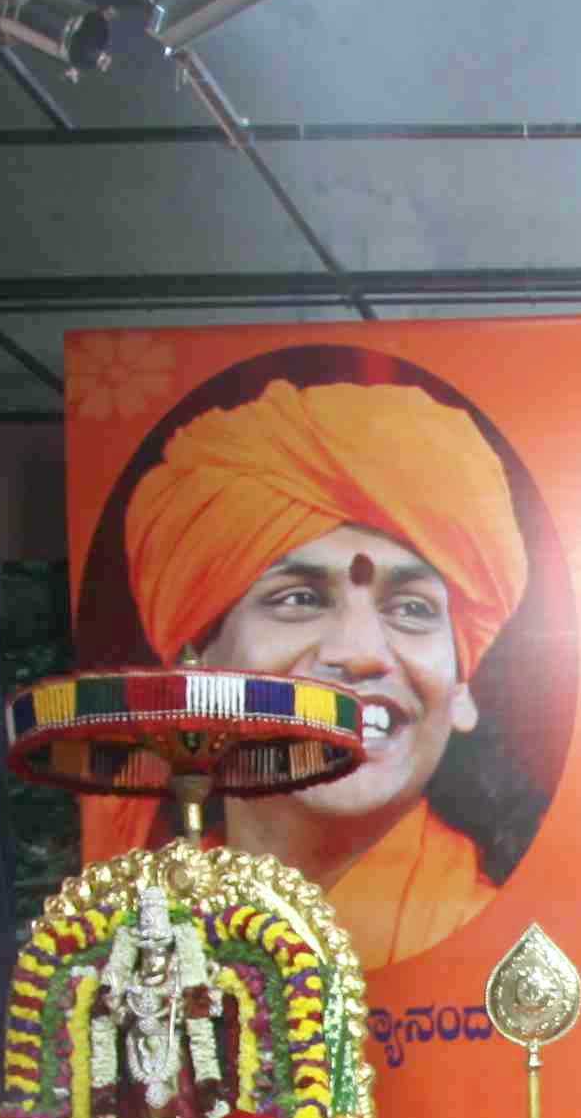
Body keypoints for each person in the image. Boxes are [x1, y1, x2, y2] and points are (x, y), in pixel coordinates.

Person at [93, 359, 553, 967]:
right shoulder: (130, 941)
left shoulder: (511, 936)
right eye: (299, 600)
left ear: (462, 685)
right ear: (195, 669)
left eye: (411, 608)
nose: (359, 652)